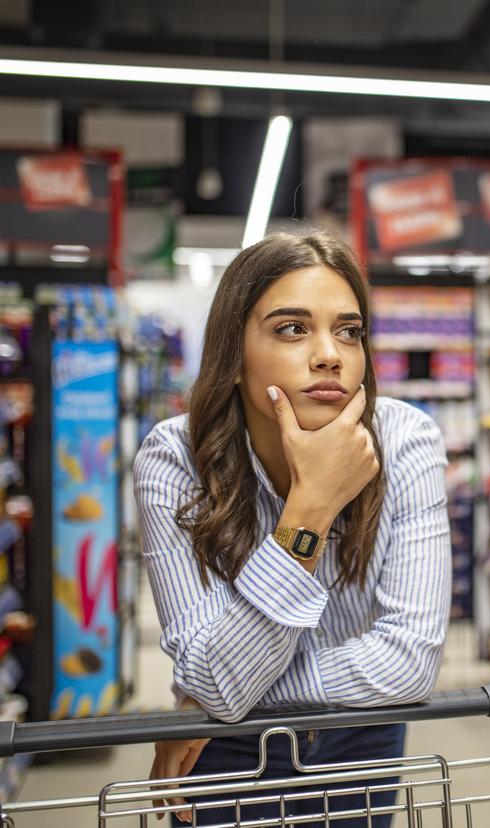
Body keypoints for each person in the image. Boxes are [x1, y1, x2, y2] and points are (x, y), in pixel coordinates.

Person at [134, 232, 452, 826]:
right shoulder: (175, 458)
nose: (330, 354)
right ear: (233, 353)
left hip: (358, 741)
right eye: (291, 328)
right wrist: (311, 506)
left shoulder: (406, 441)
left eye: (349, 331)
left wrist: (215, 694)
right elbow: (216, 680)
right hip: (225, 752)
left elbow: (409, 662)